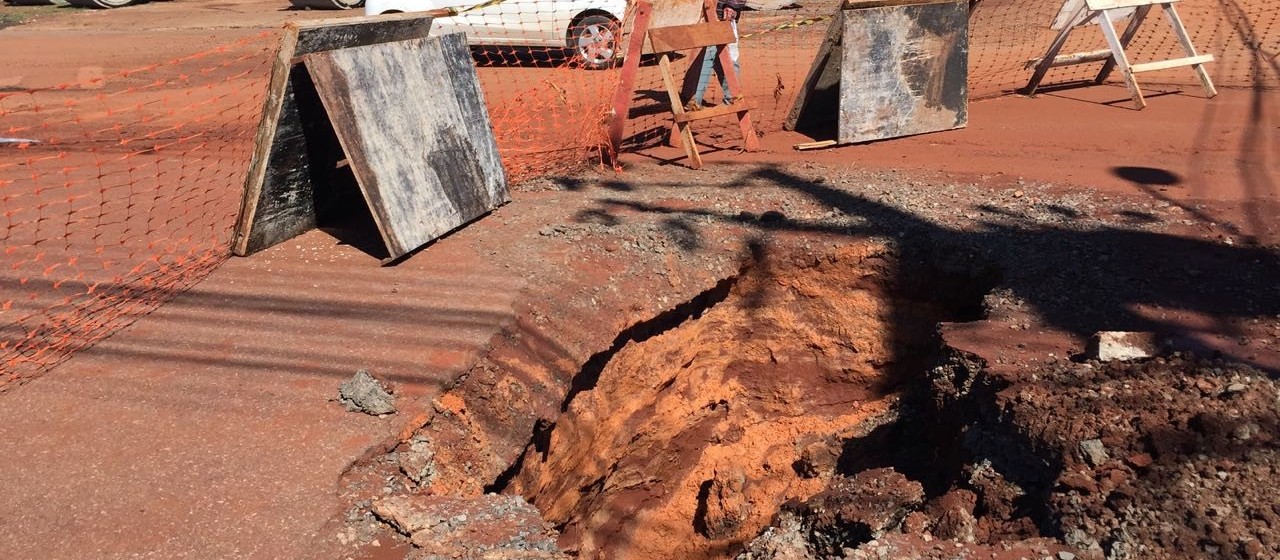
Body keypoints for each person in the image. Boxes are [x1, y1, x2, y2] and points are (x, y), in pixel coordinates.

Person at [686, 0, 745, 111]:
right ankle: (694, 99)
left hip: (722, 16)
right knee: (708, 56)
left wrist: (731, 5)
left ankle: (695, 99)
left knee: (718, 55)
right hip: (704, 16)